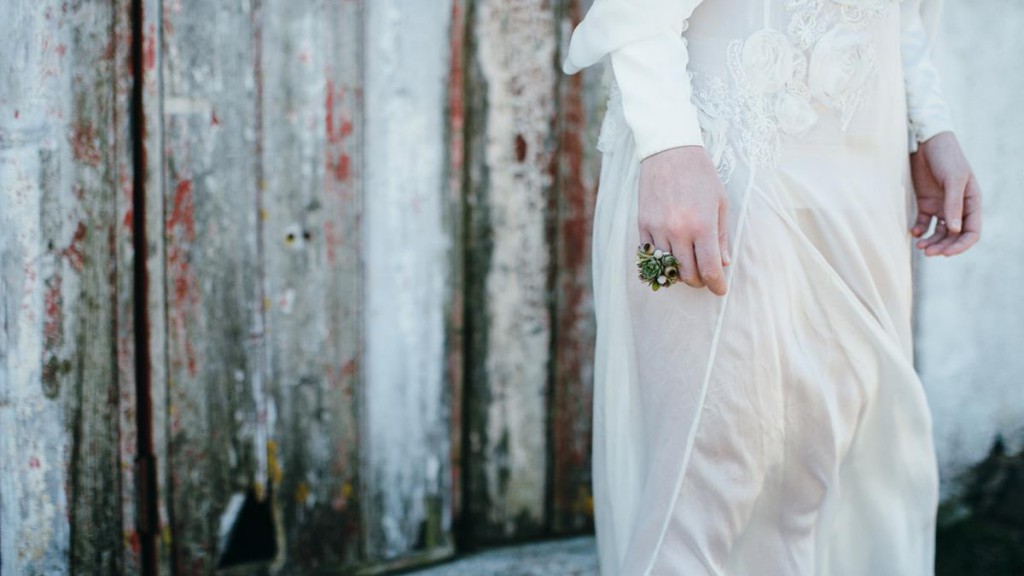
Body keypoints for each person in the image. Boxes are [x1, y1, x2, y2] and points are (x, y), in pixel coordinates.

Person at [562, 0, 981, 574]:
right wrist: (668, 144)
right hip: (729, 164)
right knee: (709, 484)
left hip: (863, 180)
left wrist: (929, 122)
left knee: (810, 483)